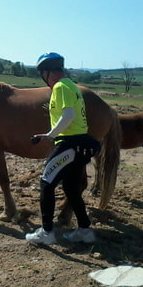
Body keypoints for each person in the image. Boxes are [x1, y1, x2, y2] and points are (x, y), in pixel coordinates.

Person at [25, 52, 101, 245]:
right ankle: (84, 230)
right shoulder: (71, 86)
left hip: (69, 144)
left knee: (46, 184)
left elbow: (67, 116)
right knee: (70, 187)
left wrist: (50, 135)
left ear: (47, 72)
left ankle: (47, 232)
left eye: (43, 73)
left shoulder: (60, 87)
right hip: (78, 144)